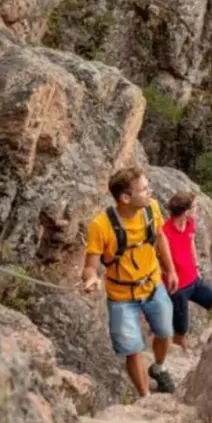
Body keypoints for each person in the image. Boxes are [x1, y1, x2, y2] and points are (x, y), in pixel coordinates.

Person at [80, 166, 179, 397]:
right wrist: (91, 278)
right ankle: (145, 396)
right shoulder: (101, 226)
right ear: (125, 198)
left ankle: (159, 367)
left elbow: (160, 237)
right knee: (133, 349)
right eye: (143, 189)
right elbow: (90, 266)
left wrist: (170, 270)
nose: (149, 192)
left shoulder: (151, 209)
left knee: (165, 332)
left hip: (153, 284)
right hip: (122, 295)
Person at [160, 189, 212, 346]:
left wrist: (196, 264)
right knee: (180, 333)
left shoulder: (189, 223)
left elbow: (190, 241)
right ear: (186, 211)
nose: (197, 210)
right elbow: (156, 259)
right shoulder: (164, 233)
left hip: (194, 281)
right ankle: (179, 356)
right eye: (195, 207)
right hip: (177, 289)